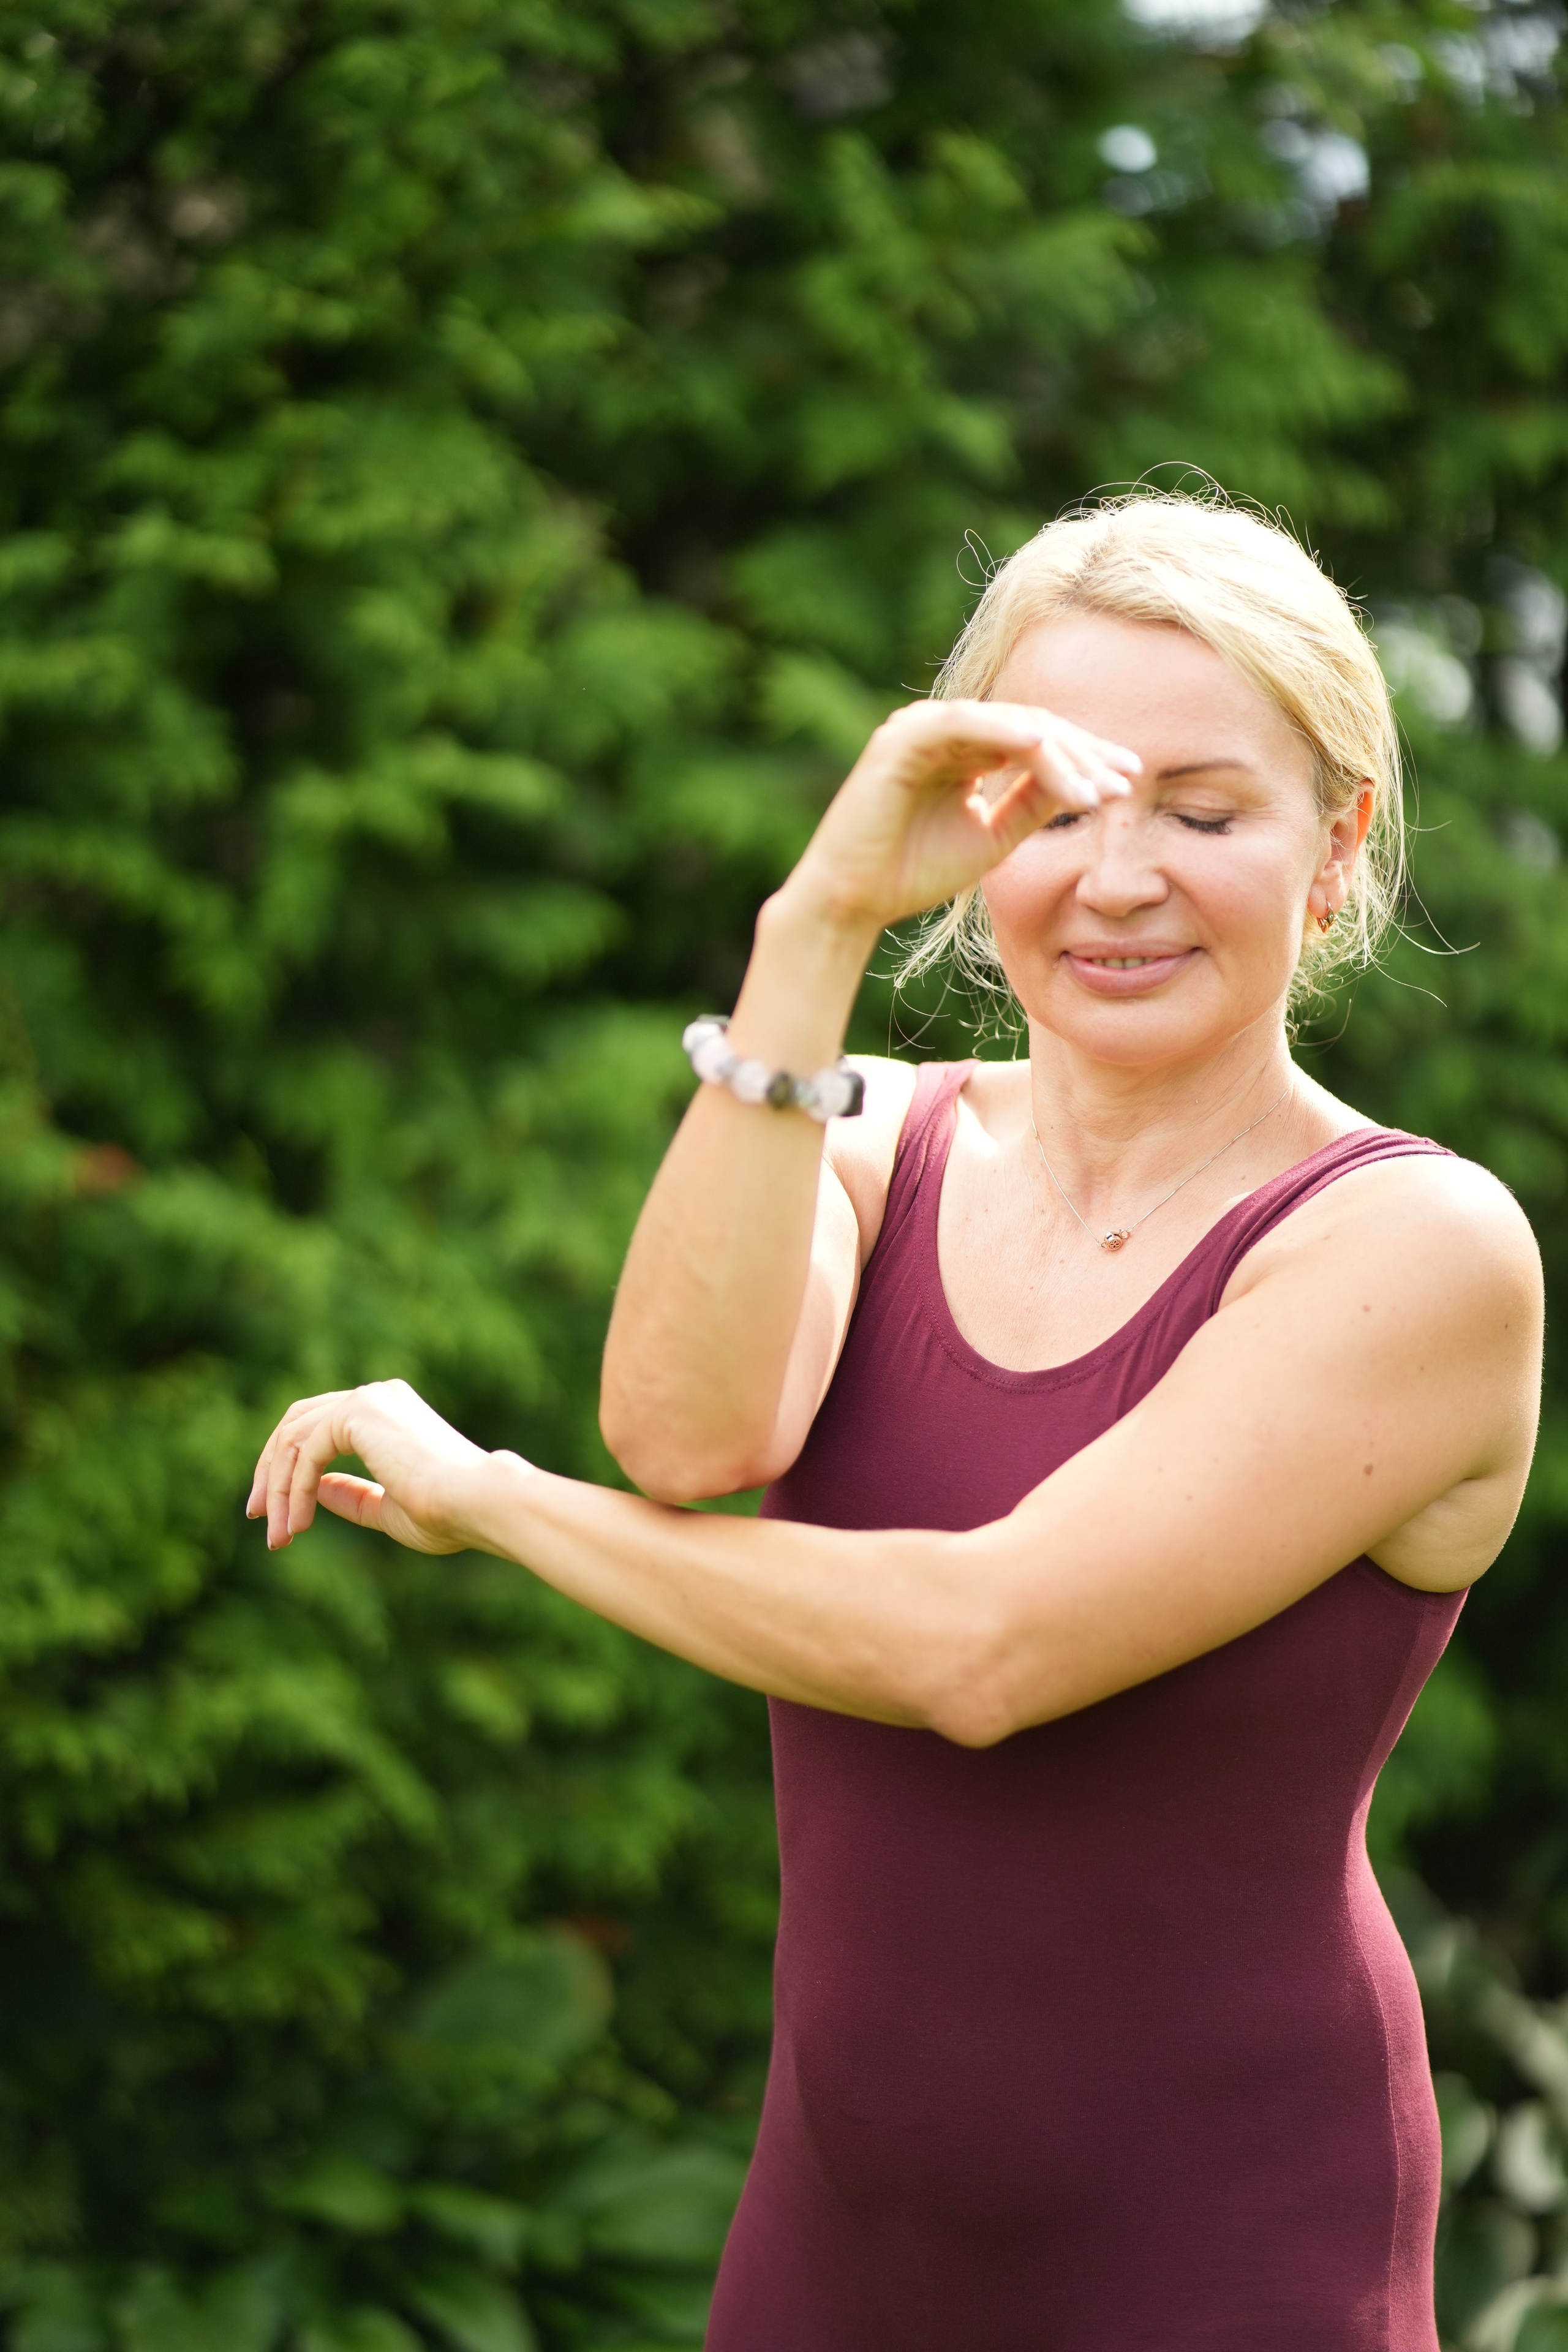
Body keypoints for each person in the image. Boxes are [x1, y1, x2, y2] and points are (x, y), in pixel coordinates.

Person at [249, 491, 1544, 2351]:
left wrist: (492, 1500)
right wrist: (824, 911)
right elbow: (688, 1440)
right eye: (1066, 805)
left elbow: (981, 1648)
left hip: (1228, 2265)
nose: (1119, 879)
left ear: (1335, 847)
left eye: (1204, 809)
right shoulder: (870, 1133)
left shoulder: (1417, 1247)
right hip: (835, 2262)